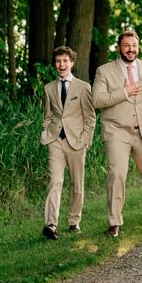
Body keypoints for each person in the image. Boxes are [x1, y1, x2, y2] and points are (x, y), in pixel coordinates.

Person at [91, 30, 142, 238]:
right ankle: (115, 221)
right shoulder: (104, 71)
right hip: (116, 131)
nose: (131, 49)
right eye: (126, 46)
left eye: (134, 45)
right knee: (117, 174)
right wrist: (125, 92)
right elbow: (96, 100)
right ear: (119, 47)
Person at [40, 46, 96, 239]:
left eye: (65, 61)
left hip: (76, 142)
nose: (61, 65)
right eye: (58, 61)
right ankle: (51, 225)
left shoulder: (83, 87)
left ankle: (74, 221)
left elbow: (90, 118)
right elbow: (48, 116)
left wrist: (85, 140)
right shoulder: (49, 88)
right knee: (55, 181)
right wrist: (46, 133)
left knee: (76, 184)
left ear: (72, 63)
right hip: (55, 140)